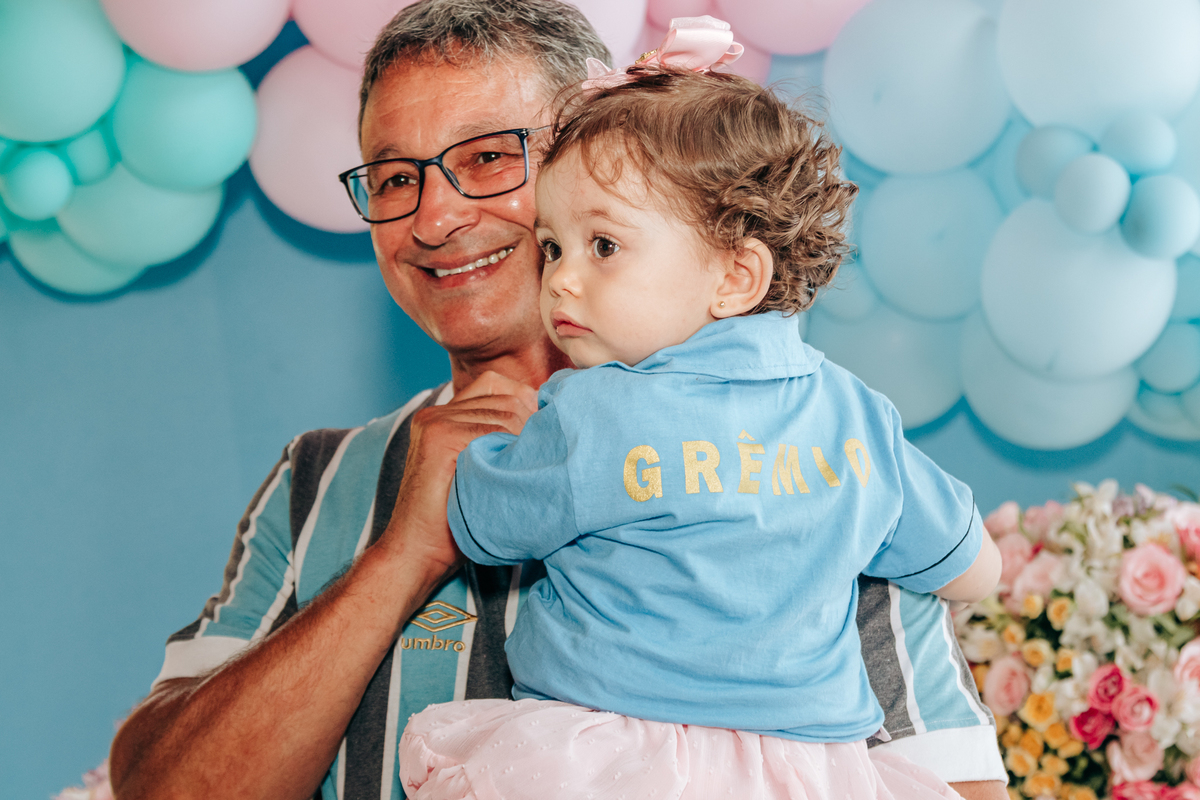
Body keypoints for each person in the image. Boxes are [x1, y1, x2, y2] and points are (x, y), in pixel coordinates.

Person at [107, 2, 1008, 799]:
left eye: (491, 157)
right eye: (392, 178)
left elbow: (957, 784)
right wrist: (401, 556)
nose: (433, 217)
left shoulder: (793, 458)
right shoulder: (318, 476)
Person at [396, 36, 1002, 799]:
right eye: (552, 248)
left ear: (737, 274)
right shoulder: (857, 416)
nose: (561, 281)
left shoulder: (592, 410)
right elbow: (972, 567)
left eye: (603, 245)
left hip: (603, 758)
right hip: (803, 771)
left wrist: (489, 447)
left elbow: (482, 523)